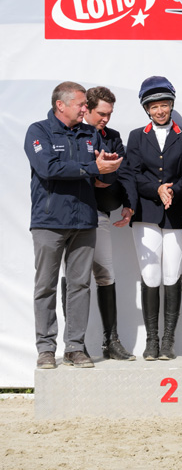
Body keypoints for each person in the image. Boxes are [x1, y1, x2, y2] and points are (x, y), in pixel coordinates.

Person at [25, 81, 123, 369]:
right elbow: (48, 168)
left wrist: (108, 167)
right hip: (49, 222)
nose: (85, 109)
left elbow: (101, 176)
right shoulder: (38, 131)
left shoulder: (90, 133)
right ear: (61, 105)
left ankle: (75, 348)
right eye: (81, 104)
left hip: (84, 221)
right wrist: (92, 167)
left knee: (80, 285)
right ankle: (46, 349)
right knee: (46, 286)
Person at [123, 77, 182, 361]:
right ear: (147, 109)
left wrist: (172, 190)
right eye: (154, 106)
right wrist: (157, 189)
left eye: (164, 105)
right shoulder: (136, 137)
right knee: (151, 275)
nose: (160, 110)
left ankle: (168, 341)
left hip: (177, 213)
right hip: (147, 213)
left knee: (172, 274)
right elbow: (132, 173)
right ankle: (151, 340)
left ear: (171, 105)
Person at [79, 86, 135, 361]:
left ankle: (111, 341)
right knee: (75, 279)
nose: (106, 119)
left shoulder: (112, 137)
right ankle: (75, 345)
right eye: (101, 113)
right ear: (86, 109)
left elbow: (124, 173)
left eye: (110, 114)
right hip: (73, 215)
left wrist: (129, 204)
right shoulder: (73, 133)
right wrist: (95, 175)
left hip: (101, 213)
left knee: (106, 275)